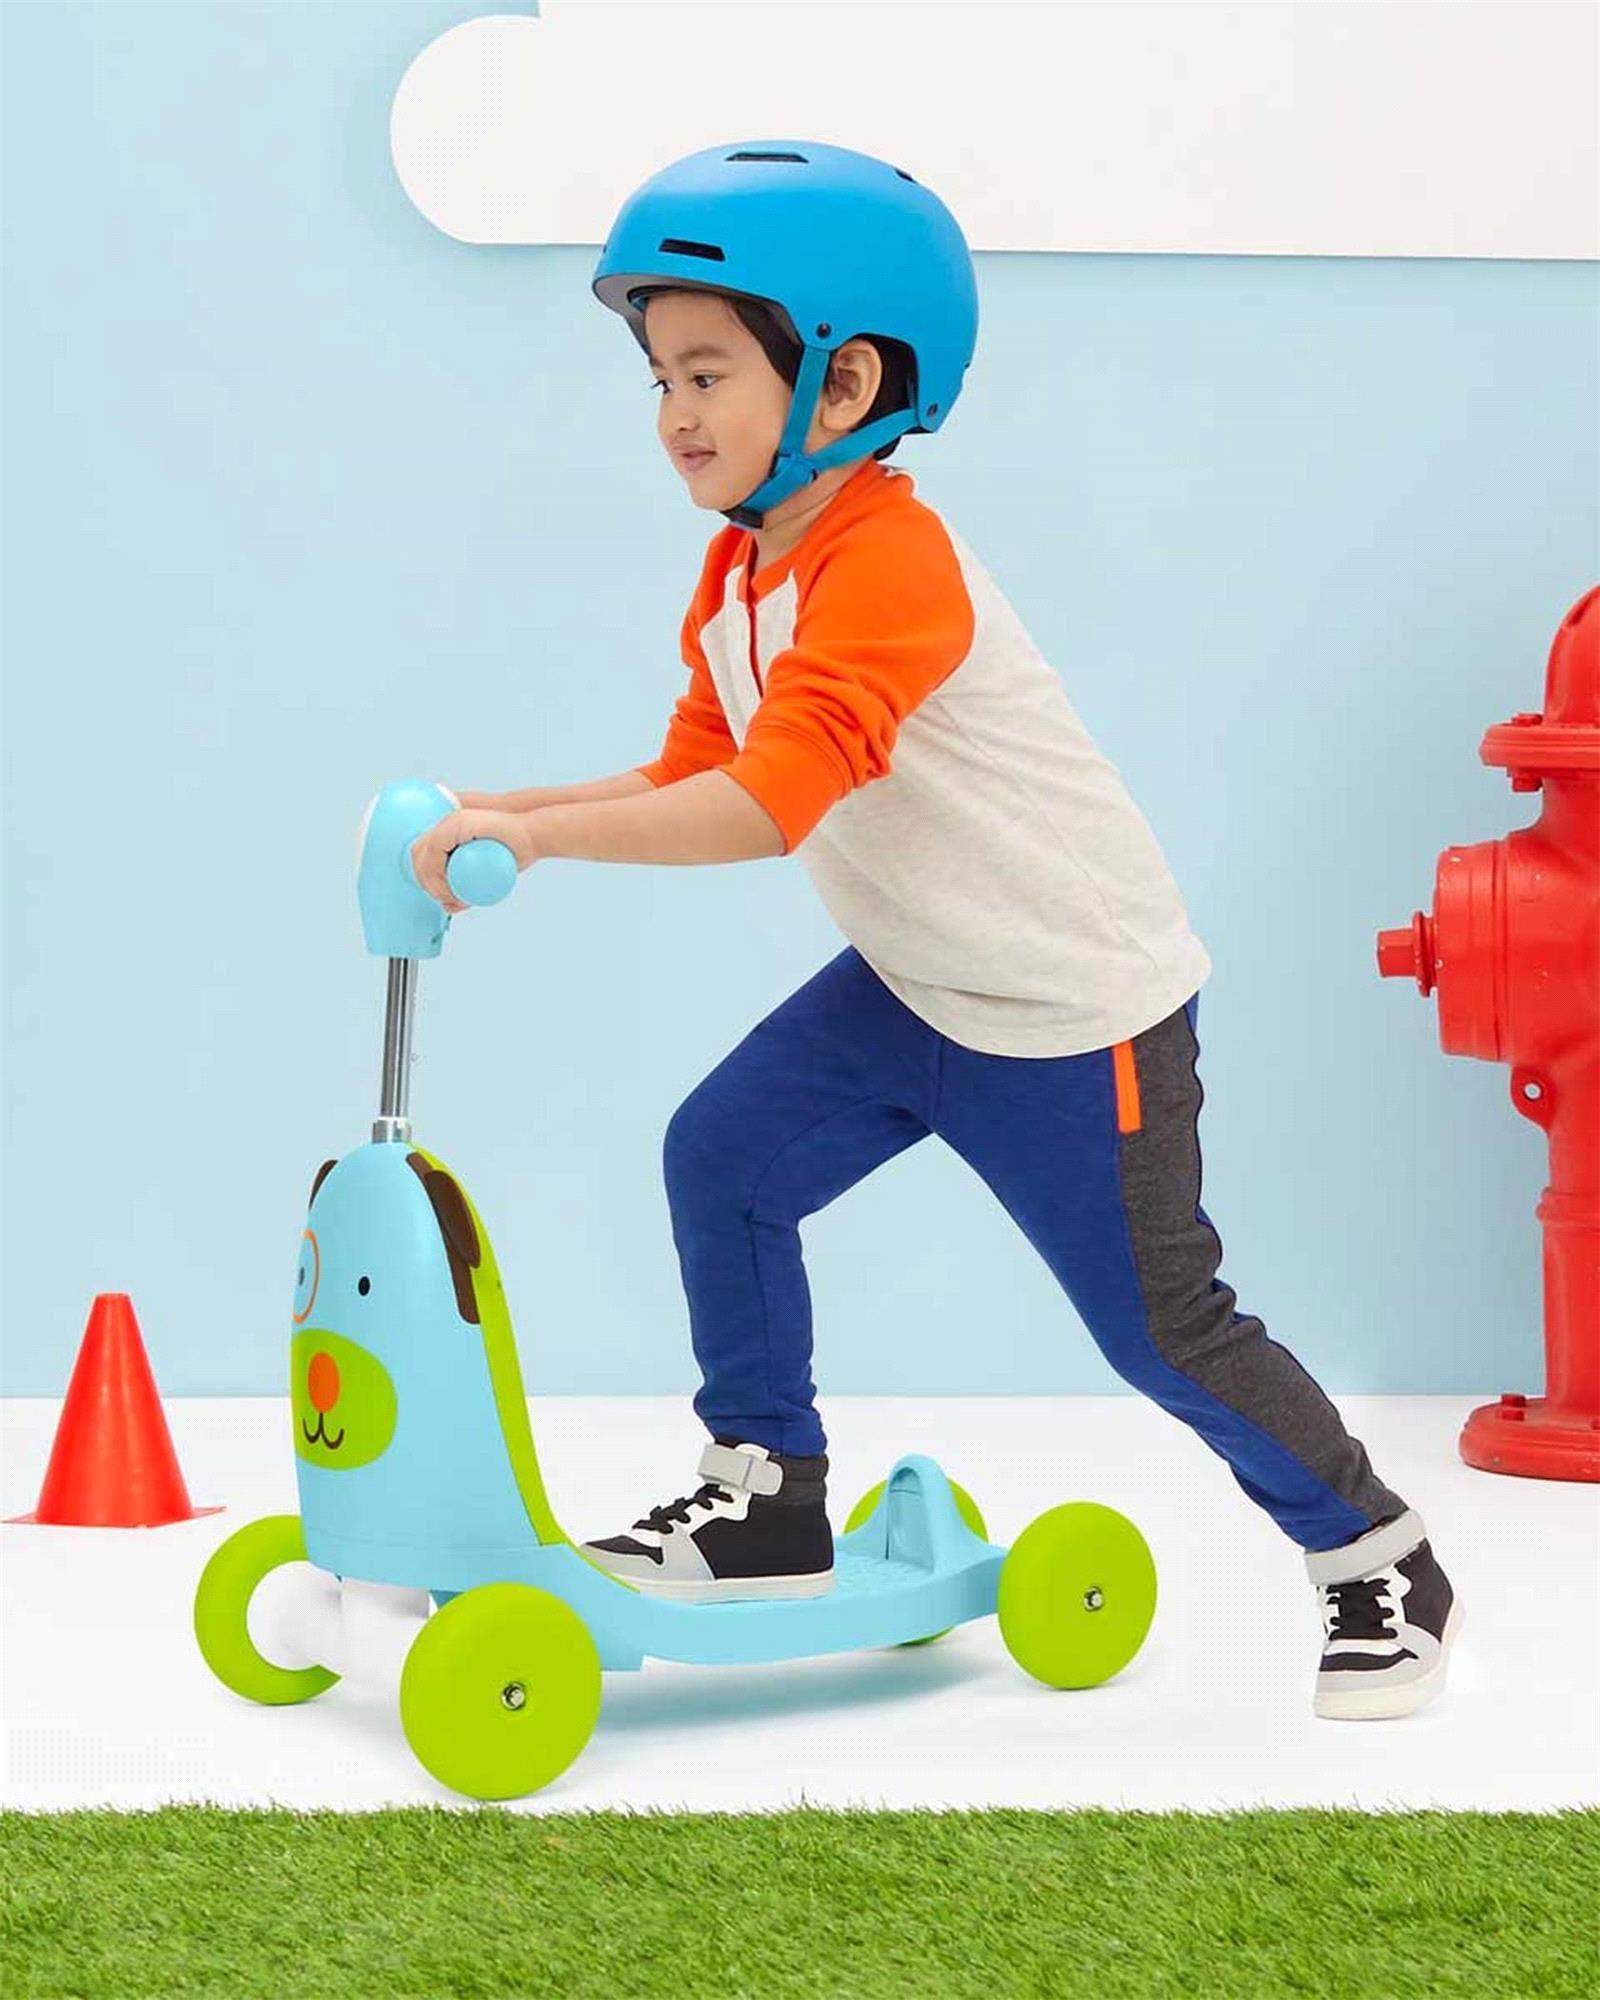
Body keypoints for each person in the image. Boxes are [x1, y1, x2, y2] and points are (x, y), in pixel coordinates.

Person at [411, 140, 1461, 1719]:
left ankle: (1376, 1552)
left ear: (846, 385)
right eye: (660, 377)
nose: (673, 412)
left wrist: (542, 839)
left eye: (708, 372)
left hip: (1072, 1012)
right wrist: (512, 808)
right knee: (723, 1158)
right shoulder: (739, 573)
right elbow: (692, 770)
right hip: (915, 986)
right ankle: (767, 1494)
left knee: (1164, 1330)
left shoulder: (889, 561)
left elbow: (768, 807)